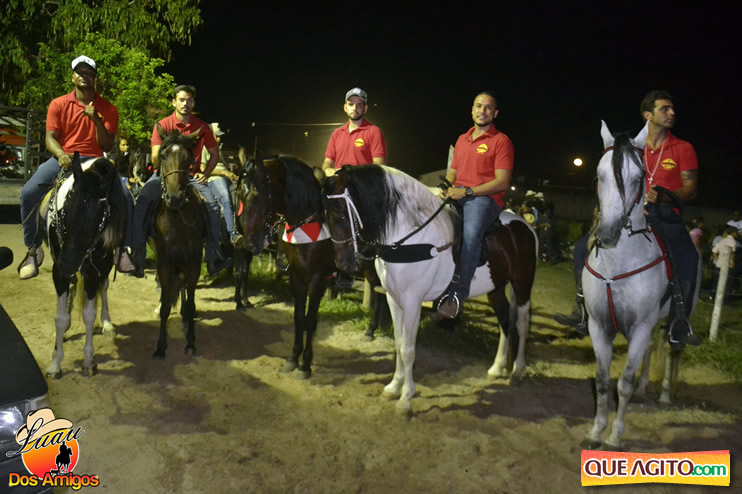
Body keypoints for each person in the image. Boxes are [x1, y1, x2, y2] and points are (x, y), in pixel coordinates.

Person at [556, 90, 701, 347]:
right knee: (581, 248)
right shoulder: (632, 147)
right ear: (648, 115)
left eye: (672, 108)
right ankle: (582, 309)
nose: (672, 113)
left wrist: (665, 196)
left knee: (688, 256)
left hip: (665, 214)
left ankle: (679, 322)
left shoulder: (683, 148)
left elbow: (690, 189)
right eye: (665, 109)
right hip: (629, 214)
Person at [18, 55, 135, 279]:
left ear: (96, 79)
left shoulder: (108, 108)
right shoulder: (58, 104)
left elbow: (107, 145)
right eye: (80, 72)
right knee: (29, 193)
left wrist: (97, 120)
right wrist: (61, 154)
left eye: (89, 73)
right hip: (64, 158)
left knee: (126, 196)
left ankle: (122, 251)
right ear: (72, 77)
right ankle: (33, 250)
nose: (84, 76)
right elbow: (50, 138)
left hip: (95, 161)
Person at [130, 84, 229, 277]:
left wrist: (206, 173)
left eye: (189, 100)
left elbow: (214, 154)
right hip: (163, 176)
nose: (186, 103)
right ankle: (137, 256)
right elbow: (155, 157)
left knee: (213, 207)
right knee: (142, 203)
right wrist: (166, 161)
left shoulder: (202, 127)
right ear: (174, 102)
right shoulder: (162, 125)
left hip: (192, 177)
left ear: (194, 103)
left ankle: (213, 256)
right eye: (182, 100)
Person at [437, 91, 514, 318]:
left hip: (484, 199)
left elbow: (502, 182)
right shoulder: (463, 139)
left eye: (488, 107)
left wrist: (467, 191)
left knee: (470, 236)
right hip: (459, 194)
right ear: (472, 110)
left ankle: (456, 297)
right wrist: (446, 185)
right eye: (479, 106)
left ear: (495, 113)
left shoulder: (501, 141)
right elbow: (454, 171)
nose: (483, 111)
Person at [321, 87, 386, 177]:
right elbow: (328, 161)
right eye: (351, 104)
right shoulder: (336, 133)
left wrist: (353, 175)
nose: (355, 108)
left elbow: (379, 166)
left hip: (362, 184)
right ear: (345, 107)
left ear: (365, 108)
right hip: (339, 184)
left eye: (359, 105)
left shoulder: (374, 132)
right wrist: (327, 169)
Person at [201, 122, 243, 247]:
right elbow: (203, 169)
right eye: (217, 136)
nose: (219, 139)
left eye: (220, 136)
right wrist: (224, 173)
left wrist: (230, 174)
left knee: (240, 197)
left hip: (225, 177)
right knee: (226, 199)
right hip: (214, 179)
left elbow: (223, 166)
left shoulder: (217, 149)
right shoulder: (204, 148)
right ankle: (232, 233)